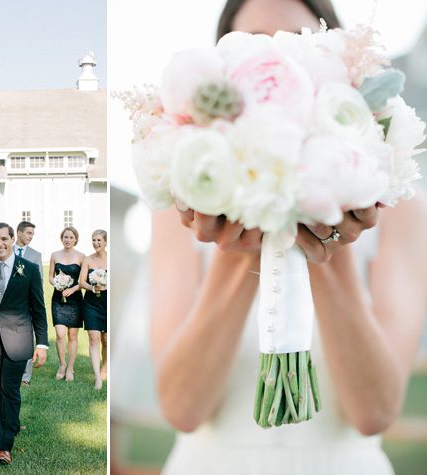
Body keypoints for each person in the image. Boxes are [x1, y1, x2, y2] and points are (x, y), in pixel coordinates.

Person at [148, 1, 427, 474]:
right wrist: (241, 246)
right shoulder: (187, 197)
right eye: (256, 43)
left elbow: (374, 413)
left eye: (301, 42)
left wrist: (328, 227)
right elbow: (182, 410)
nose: (279, 58)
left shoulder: (395, 202)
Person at [0, 222, 49, 465]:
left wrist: (42, 344)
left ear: (12, 239)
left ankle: (4, 447)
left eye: (3, 239)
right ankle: (12, 422)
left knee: (10, 390)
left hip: (18, 340)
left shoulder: (28, 268)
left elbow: (38, 308)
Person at [48, 226, 85, 381]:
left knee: (72, 335)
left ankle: (70, 368)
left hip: (75, 300)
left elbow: (83, 281)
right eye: (65, 237)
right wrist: (56, 283)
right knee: (60, 334)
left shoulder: (82, 257)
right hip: (58, 299)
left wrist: (73, 289)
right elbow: (50, 276)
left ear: (75, 239)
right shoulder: (55, 255)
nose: (68, 240)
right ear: (61, 238)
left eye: (71, 237)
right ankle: (62, 365)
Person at [14, 221, 43, 386]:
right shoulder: (6, 250)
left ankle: (25, 376)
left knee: (27, 338)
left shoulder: (36, 255)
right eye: (29, 233)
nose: (31, 237)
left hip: (27, 302)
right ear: (19, 233)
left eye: (32, 234)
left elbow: (38, 280)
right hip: (8, 302)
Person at [80, 229, 108, 390]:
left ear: (105, 242)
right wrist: (92, 287)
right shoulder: (88, 260)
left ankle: (105, 367)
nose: (96, 243)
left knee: (106, 339)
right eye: (94, 240)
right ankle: (97, 376)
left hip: (108, 302)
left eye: (99, 240)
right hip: (91, 302)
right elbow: (81, 282)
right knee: (93, 337)